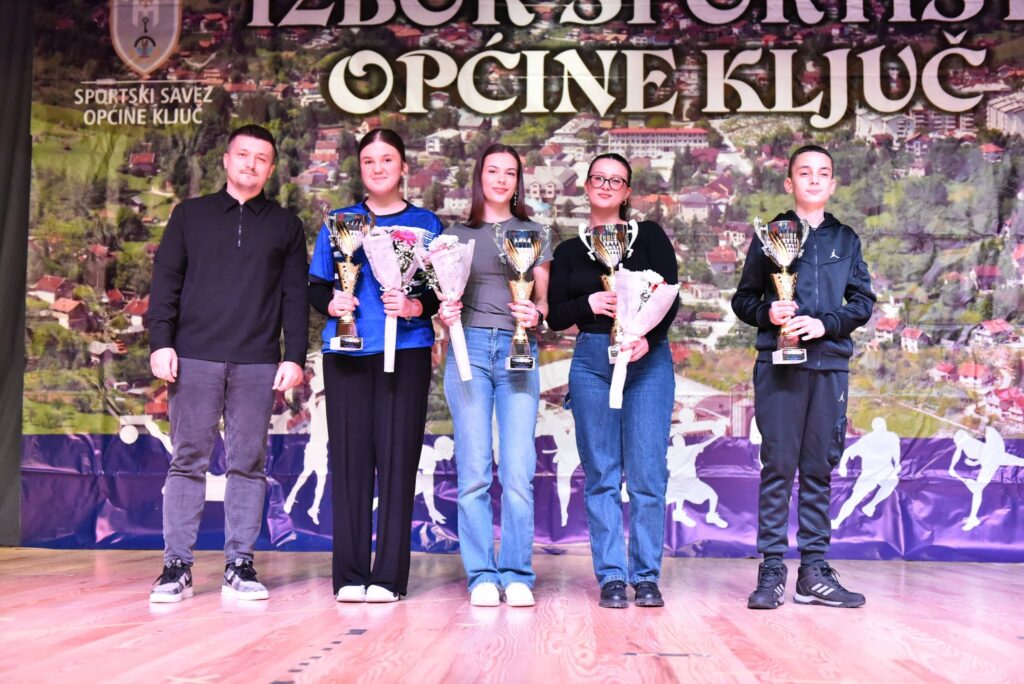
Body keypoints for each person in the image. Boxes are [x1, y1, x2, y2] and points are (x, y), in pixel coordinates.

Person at [147, 124, 309, 603]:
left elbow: (295, 297)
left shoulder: (285, 226)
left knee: (248, 465)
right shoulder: (190, 215)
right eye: (243, 154)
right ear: (226, 159)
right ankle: (176, 566)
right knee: (187, 461)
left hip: (257, 362)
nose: (251, 164)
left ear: (271, 169)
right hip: (192, 356)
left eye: (261, 158)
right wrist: (161, 343)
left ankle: (240, 564)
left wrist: (294, 356)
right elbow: (166, 282)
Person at [732, 144, 875, 610]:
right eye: (804, 172)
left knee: (818, 468)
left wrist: (825, 324)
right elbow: (743, 300)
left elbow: (862, 301)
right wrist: (768, 314)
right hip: (778, 366)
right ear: (789, 182)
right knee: (778, 467)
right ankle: (772, 568)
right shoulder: (771, 235)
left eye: (823, 173)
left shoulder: (846, 239)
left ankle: (813, 571)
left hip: (829, 365)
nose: (814, 180)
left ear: (832, 184)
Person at [308, 129, 442, 603]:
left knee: (398, 462)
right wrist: (332, 303)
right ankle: (349, 575)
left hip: (406, 350)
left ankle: (388, 578)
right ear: (360, 169)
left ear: (403, 167)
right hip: (347, 352)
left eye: (387, 159)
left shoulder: (426, 222)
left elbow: (438, 290)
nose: (378, 168)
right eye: (369, 161)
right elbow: (316, 285)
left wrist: (412, 307)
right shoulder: (340, 221)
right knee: (349, 464)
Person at [547, 153, 678, 609]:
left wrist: (648, 338)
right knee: (601, 474)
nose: (606, 186)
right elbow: (555, 316)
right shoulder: (569, 250)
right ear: (586, 187)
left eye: (615, 181)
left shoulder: (650, 236)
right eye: (598, 179)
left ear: (626, 192)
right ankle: (612, 578)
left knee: (646, 475)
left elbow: (670, 296)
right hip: (591, 362)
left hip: (647, 361)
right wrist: (589, 303)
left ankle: (646, 577)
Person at [438, 144, 550, 608]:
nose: (501, 179)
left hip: (517, 351)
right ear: (479, 177)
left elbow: (544, 303)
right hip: (467, 352)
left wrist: (536, 314)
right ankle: (482, 574)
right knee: (474, 472)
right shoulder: (454, 235)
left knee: (519, 470)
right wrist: (443, 313)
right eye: (493, 171)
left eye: (510, 173)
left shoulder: (535, 232)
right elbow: (443, 298)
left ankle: (518, 573)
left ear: (519, 181)